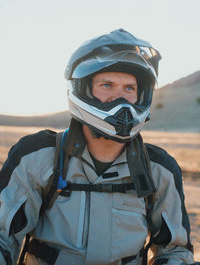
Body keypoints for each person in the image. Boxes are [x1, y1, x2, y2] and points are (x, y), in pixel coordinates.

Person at [0, 29, 198, 265]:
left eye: (129, 88)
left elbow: (174, 252)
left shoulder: (159, 169)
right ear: (83, 89)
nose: (121, 99)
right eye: (107, 85)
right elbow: (3, 239)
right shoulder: (37, 157)